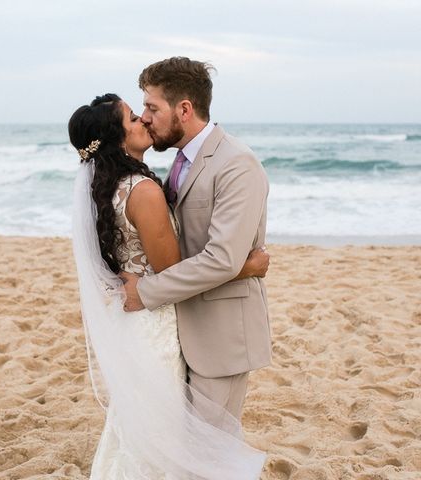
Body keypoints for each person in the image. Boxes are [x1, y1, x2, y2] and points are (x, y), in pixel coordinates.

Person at [69, 93, 268, 479]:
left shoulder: (105, 189)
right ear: (117, 138)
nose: (144, 120)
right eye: (132, 118)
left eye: (145, 111)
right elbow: (171, 269)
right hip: (154, 324)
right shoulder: (142, 191)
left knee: (141, 428)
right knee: (162, 436)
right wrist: (245, 267)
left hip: (135, 322)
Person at [121, 57, 272, 430]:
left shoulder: (237, 163)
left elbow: (221, 259)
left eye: (152, 107)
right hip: (178, 330)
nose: (144, 118)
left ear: (184, 109)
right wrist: (246, 265)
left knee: (210, 455)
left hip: (220, 336)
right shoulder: (178, 162)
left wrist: (147, 292)